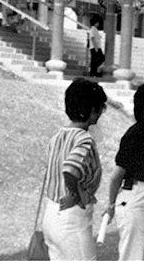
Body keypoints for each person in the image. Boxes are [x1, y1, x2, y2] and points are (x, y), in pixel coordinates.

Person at [41, 79, 108, 261]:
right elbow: (70, 169)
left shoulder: (56, 137)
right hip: (72, 217)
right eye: (101, 108)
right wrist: (78, 195)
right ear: (92, 110)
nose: (101, 113)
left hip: (51, 213)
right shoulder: (84, 139)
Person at [105, 83, 144, 260]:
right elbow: (116, 175)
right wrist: (110, 205)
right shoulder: (134, 134)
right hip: (134, 197)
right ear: (142, 108)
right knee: (133, 255)